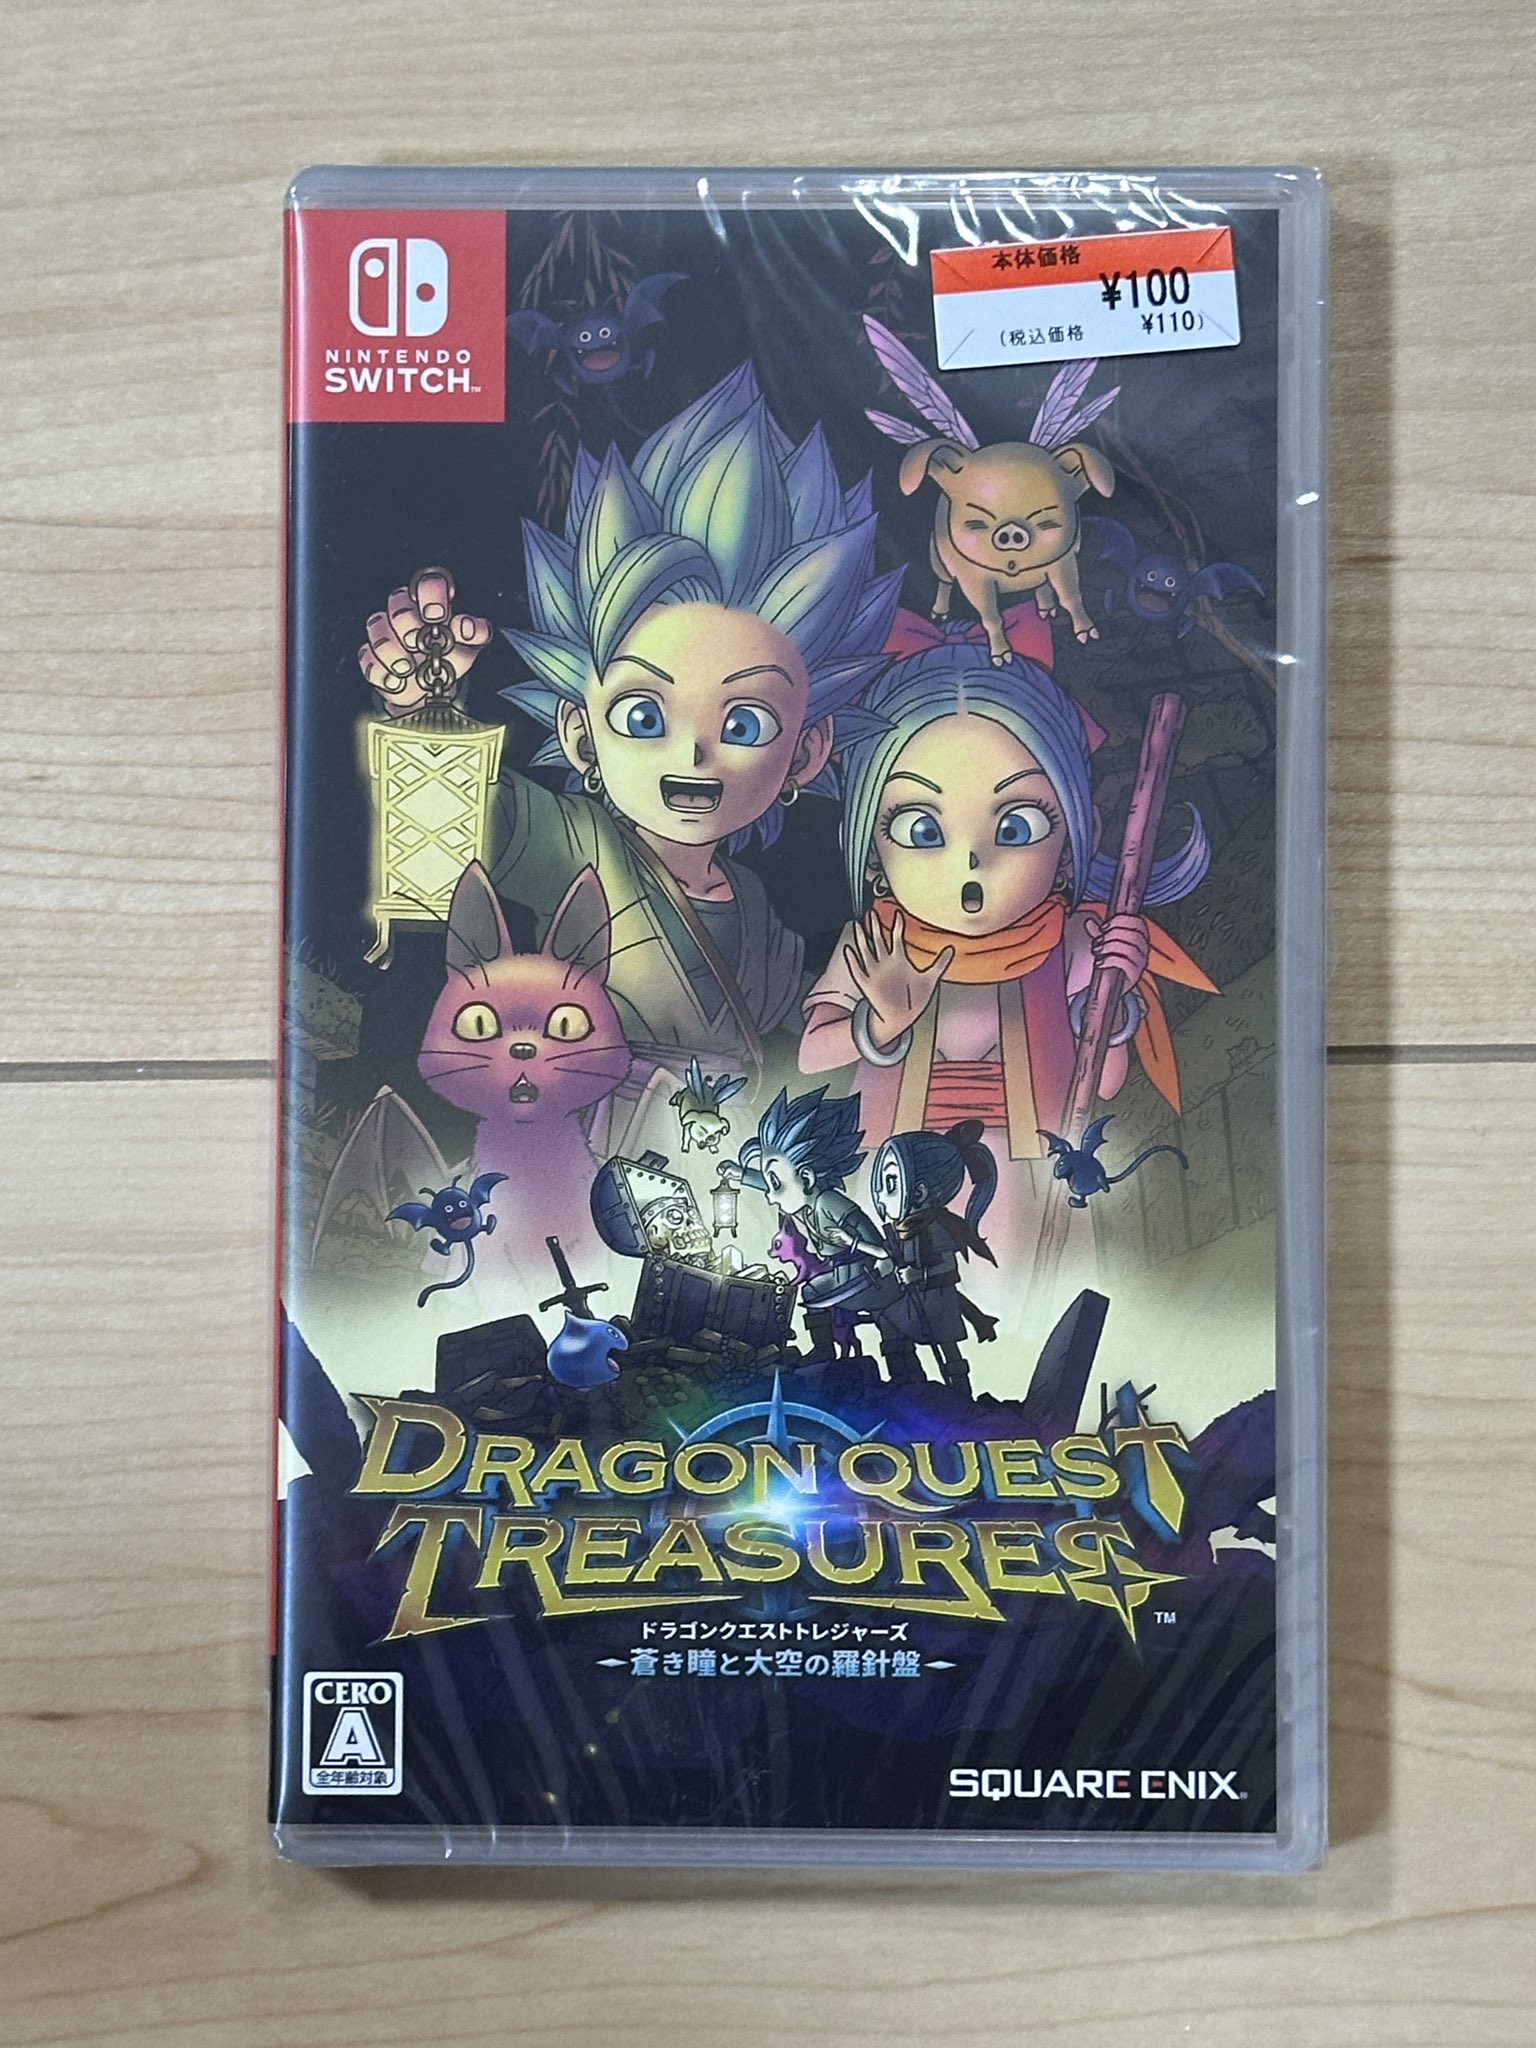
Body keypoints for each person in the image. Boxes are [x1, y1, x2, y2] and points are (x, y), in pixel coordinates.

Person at [358, 364, 901, 1099]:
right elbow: (470, 832)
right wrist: (424, 711)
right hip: (583, 1127)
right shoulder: (577, 844)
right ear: (581, 735)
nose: (694, 751)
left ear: (806, 751)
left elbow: (798, 1035)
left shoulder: (751, 907)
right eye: (644, 716)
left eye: (745, 721)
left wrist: (875, 1017)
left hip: (725, 1146)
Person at [800, 643, 1214, 1247]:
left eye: (1017, 825)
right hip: (893, 1173)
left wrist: (1114, 991)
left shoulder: (1072, 939)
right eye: (922, 829)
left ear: (1074, 836)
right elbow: (812, 1054)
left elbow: (1103, 1081)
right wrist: (880, 1025)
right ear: (866, 845)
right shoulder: (876, 941)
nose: (971, 861)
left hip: (1028, 1178)